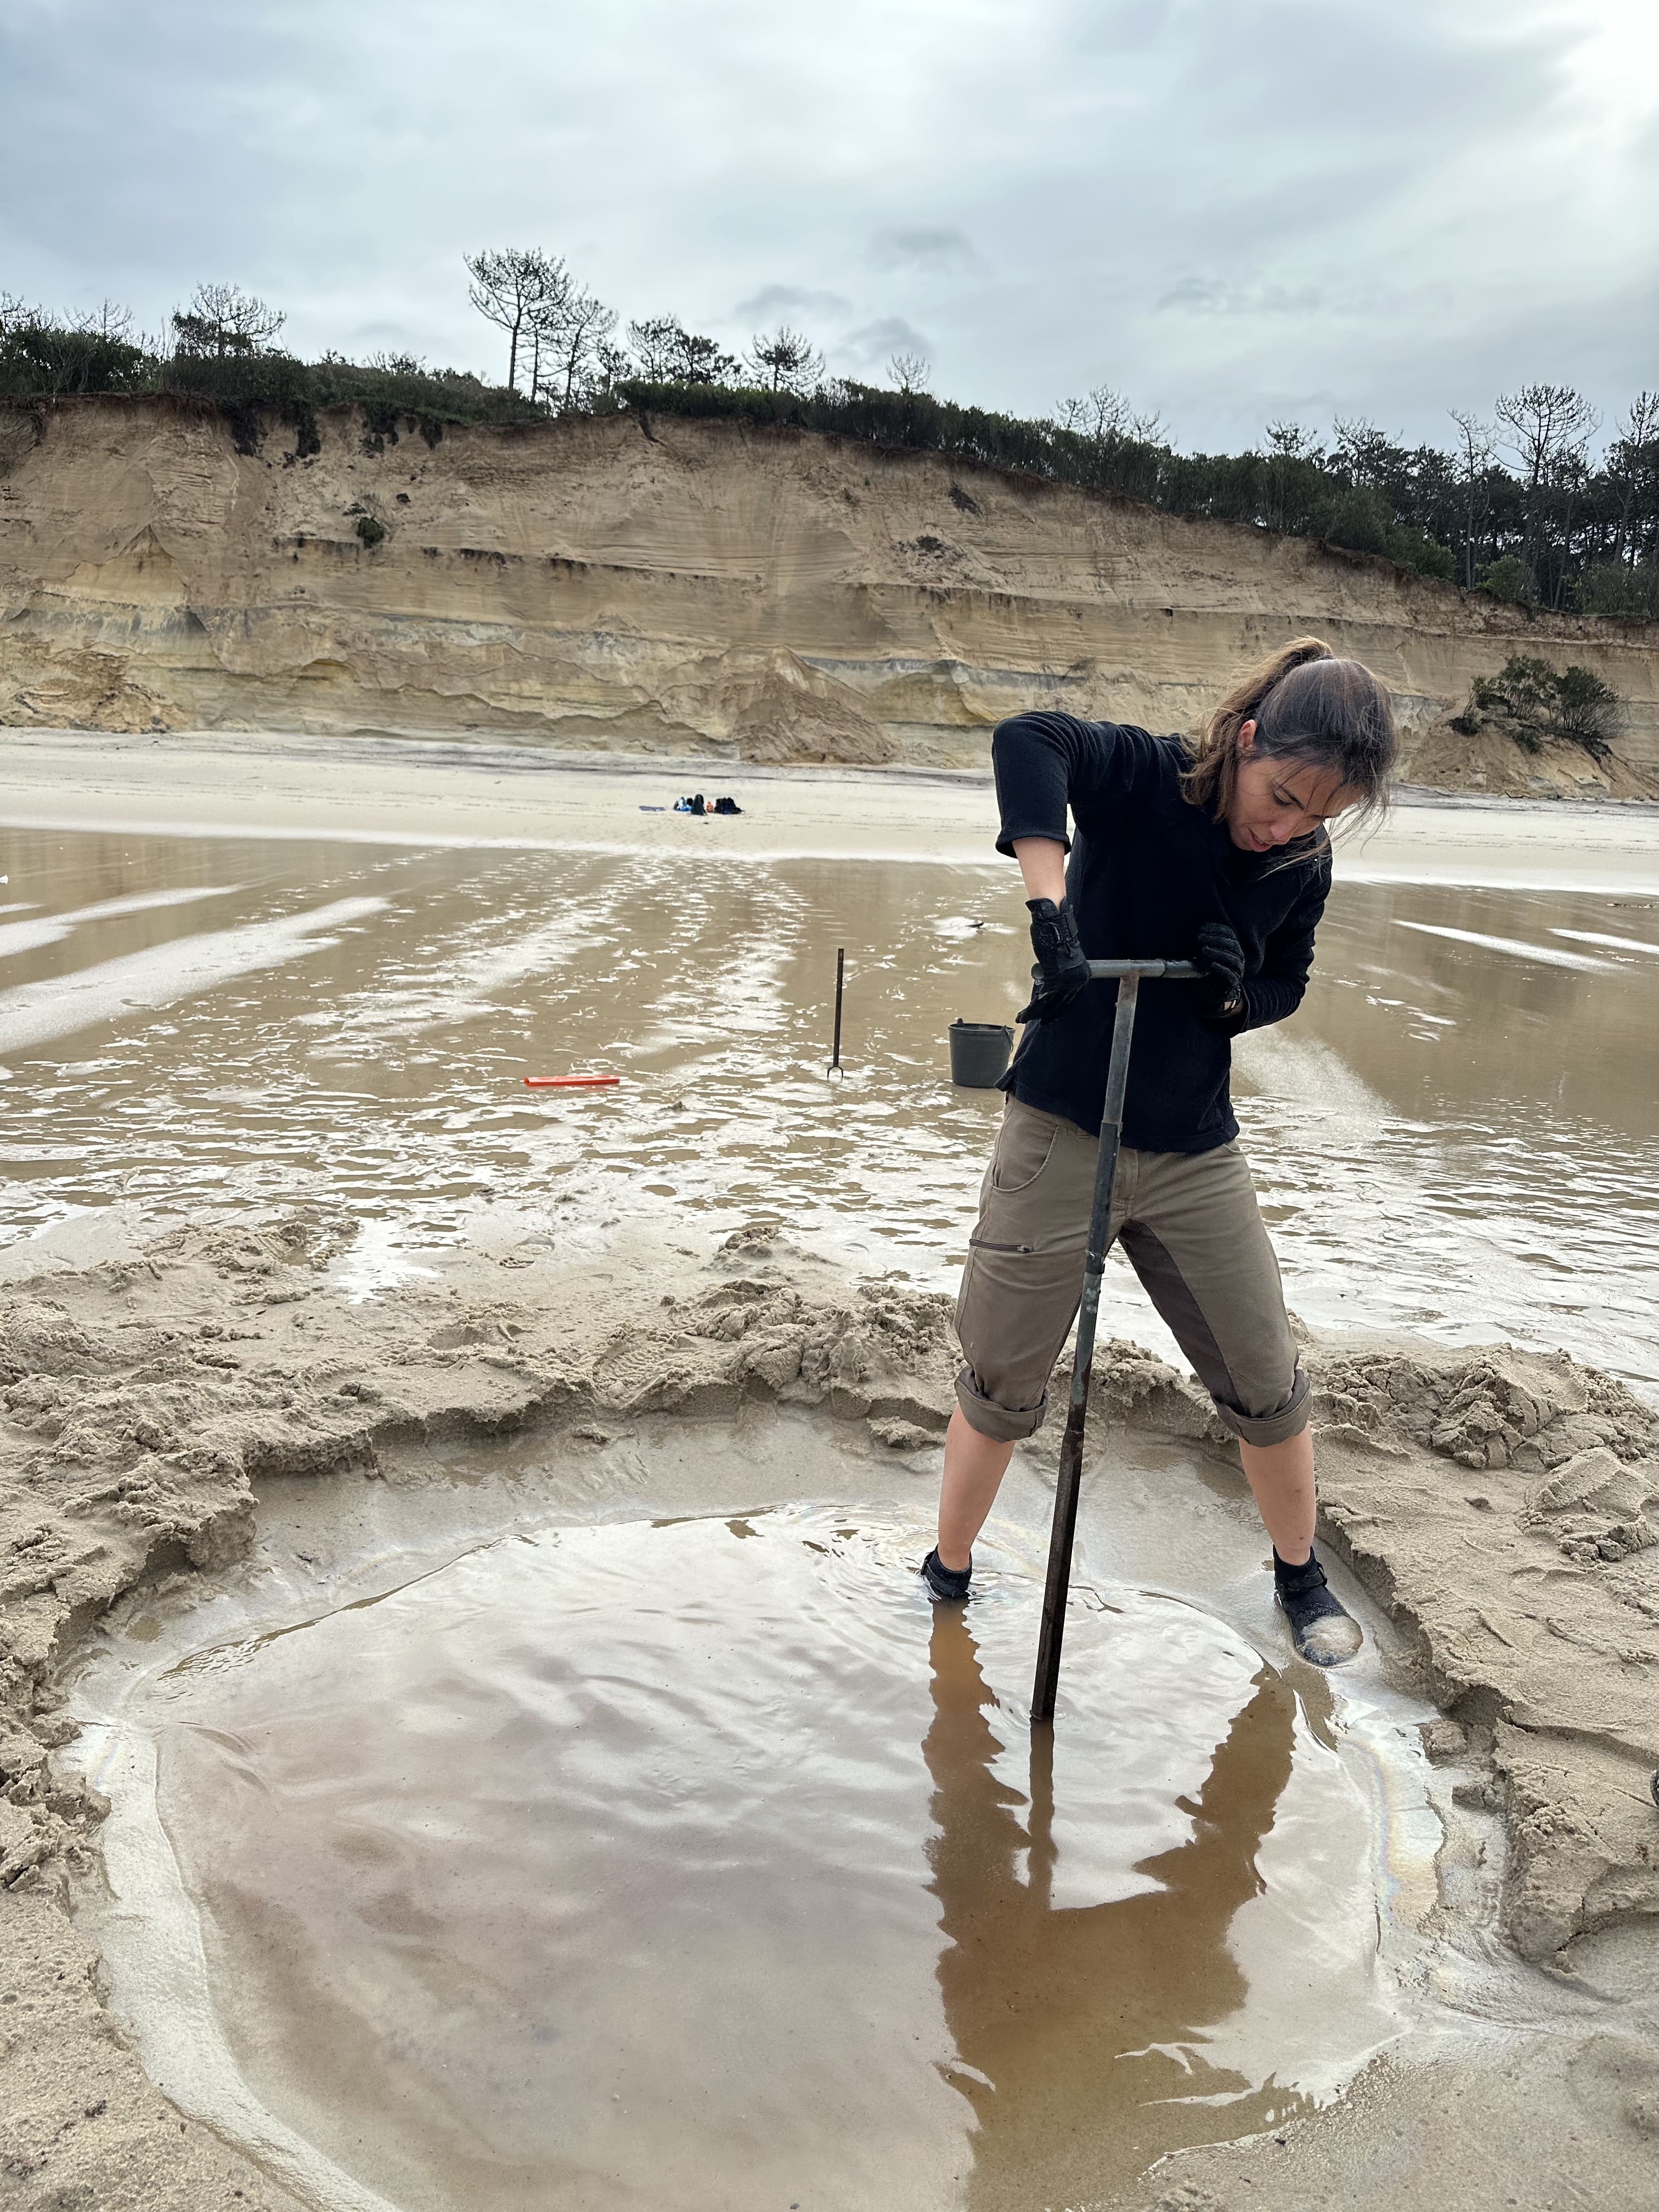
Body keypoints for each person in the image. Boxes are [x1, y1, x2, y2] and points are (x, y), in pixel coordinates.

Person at [922, 636, 1397, 1667]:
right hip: (1058, 1125)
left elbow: (1285, 988)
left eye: (1317, 815)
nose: (1287, 825)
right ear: (1244, 739)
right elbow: (1029, 739)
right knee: (1002, 1382)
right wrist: (1050, 912)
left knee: (1266, 1380)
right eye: (1281, 794)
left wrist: (1234, 989)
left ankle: (1299, 1578)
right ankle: (949, 1572)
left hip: (1193, 1150)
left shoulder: (1297, 864)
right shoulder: (1147, 780)